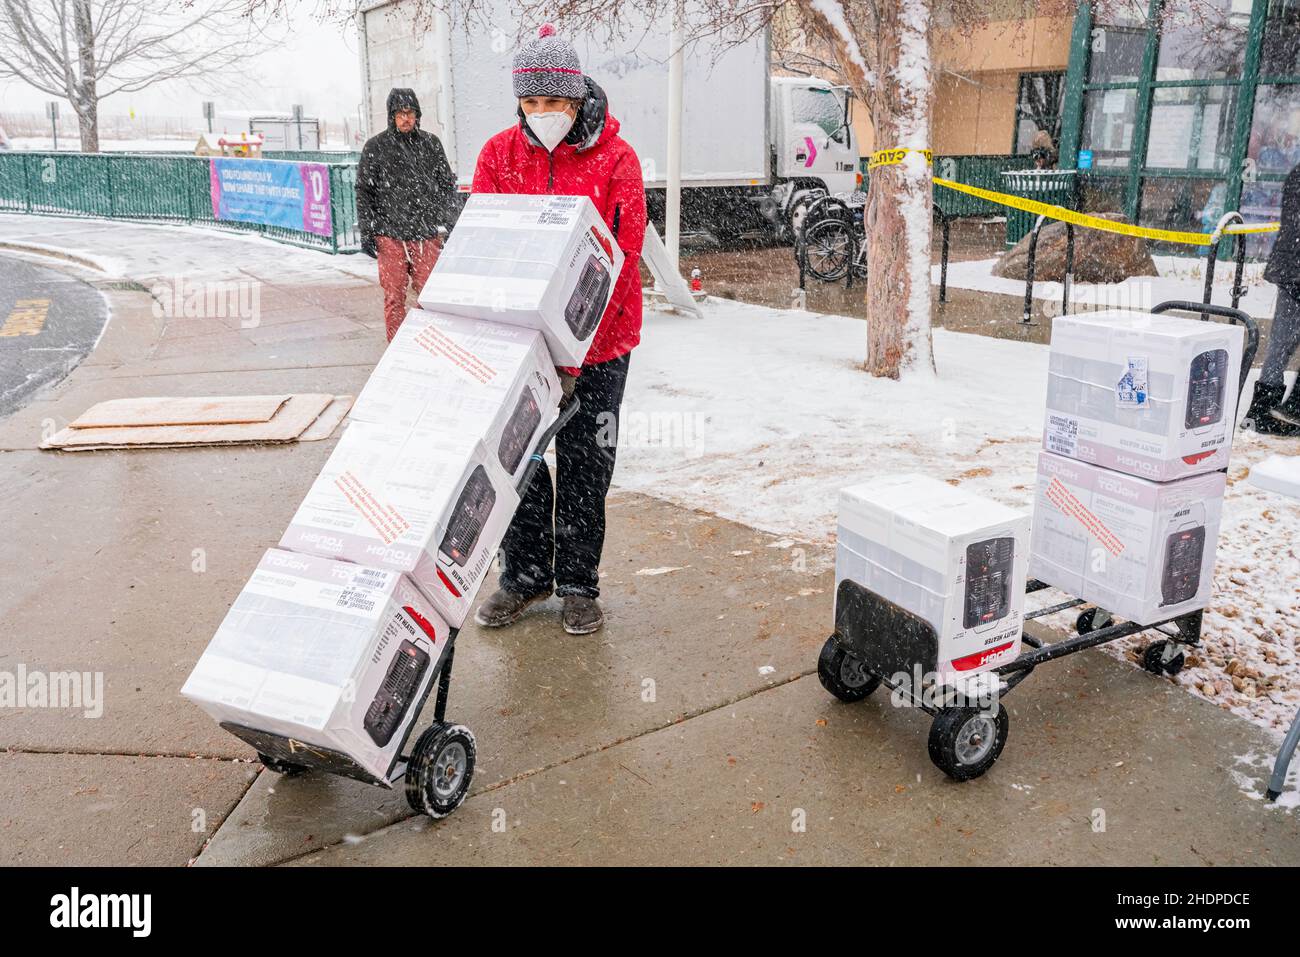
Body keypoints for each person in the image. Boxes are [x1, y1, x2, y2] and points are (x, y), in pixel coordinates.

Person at [471, 24, 647, 636]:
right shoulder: (498, 155)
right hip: (524, 342)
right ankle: (523, 576)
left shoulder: (616, 160)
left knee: (586, 461)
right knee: (514, 460)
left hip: (601, 344)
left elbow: (620, 263)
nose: (542, 113)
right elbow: (486, 249)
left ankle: (577, 582)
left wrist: (575, 355)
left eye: (554, 101)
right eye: (531, 101)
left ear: (576, 99)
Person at [356, 88, 459, 341]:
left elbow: (446, 186)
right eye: (400, 113)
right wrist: (367, 231)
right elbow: (363, 191)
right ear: (391, 116)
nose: (405, 118)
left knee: (430, 296)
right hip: (389, 235)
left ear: (417, 115)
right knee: (394, 297)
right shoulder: (376, 147)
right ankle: (397, 348)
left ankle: (428, 344)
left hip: (425, 234)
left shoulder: (430, 144)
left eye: (410, 113)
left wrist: (451, 222)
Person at [1243, 160, 1300, 434]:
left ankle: (1261, 412)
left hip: (1290, 268)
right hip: (1294, 267)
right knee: (1282, 341)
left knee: (1280, 343)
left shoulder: (1296, 173)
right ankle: (1291, 409)